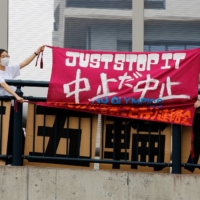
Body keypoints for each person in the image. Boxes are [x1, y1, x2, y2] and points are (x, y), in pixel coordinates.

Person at [0, 46, 44, 165]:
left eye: (7, 56)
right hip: (3, 108)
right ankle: (9, 160)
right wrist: (16, 95)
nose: (6, 58)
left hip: (12, 107)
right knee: (7, 133)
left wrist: (36, 52)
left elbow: (24, 63)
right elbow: (3, 85)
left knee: (17, 132)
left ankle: (18, 159)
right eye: (3, 57)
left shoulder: (9, 69)